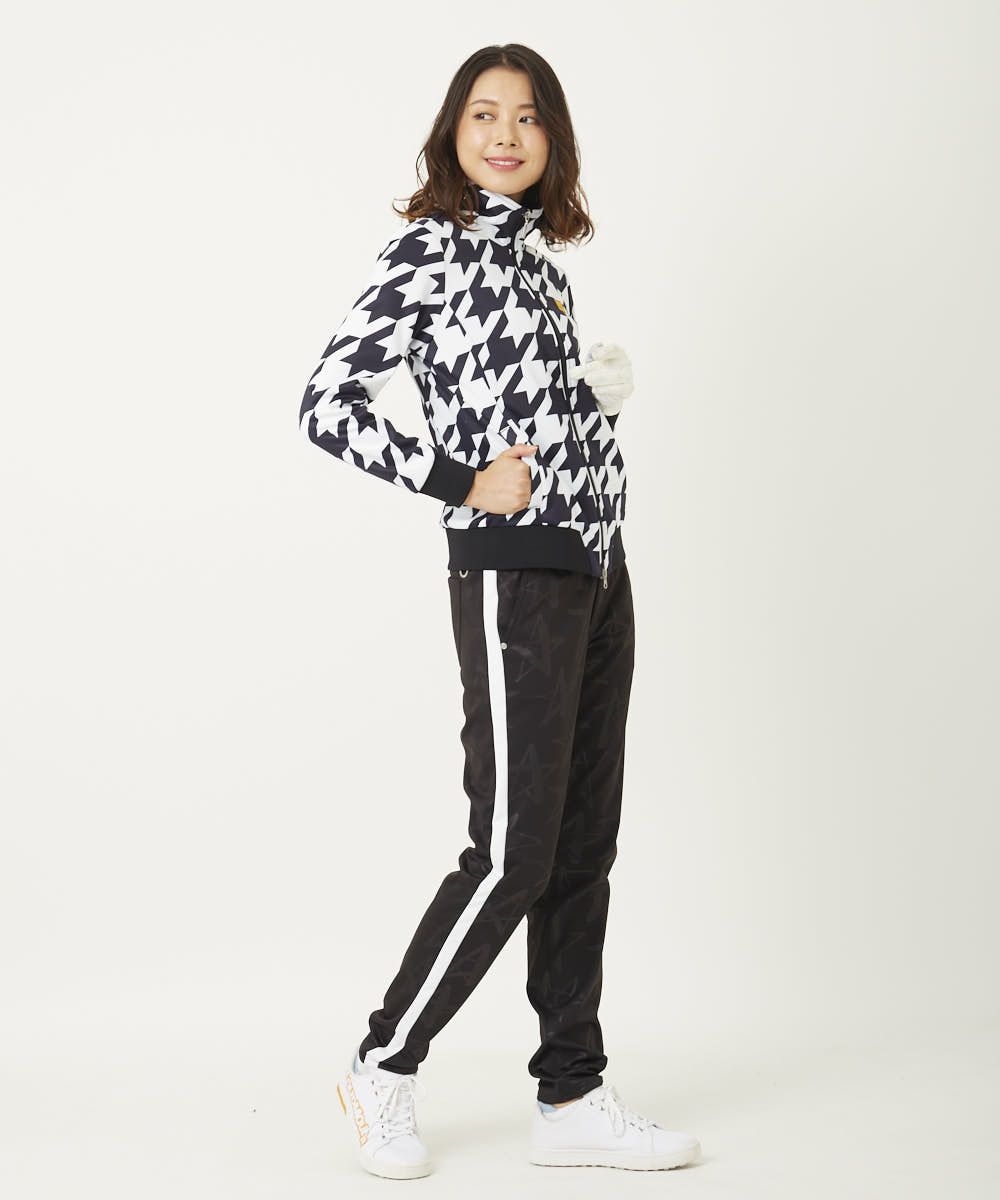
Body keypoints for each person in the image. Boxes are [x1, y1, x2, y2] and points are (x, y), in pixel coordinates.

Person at [300, 43, 702, 1180]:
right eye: (484, 114)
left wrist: (593, 403)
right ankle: (382, 1062)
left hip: (596, 567)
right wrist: (459, 481)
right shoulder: (429, 248)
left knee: (580, 846)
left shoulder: (540, 266)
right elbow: (327, 402)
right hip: (511, 573)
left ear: (552, 139)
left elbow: (524, 416)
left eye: (527, 117)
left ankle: (570, 1093)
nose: (506, 135)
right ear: (453, 132)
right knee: (509, 854)